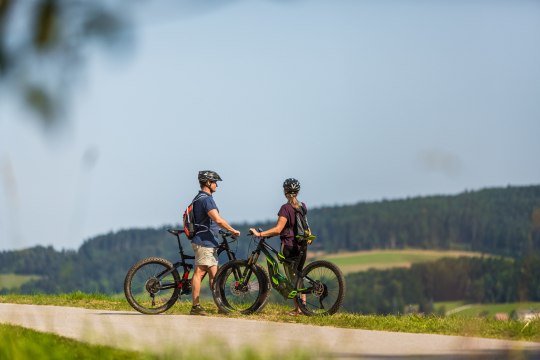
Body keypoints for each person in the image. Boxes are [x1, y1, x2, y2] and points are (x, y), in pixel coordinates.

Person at [249, 178, 309, 316]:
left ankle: (298, 309)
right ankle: (303, 307)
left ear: (285, 192)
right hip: (302, 246)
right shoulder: (303, 206)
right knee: (298, 276)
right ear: (298, 192)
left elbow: (278, 229)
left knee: (291, 278)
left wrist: (260, 234)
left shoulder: (285, 208)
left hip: (289, 246)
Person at [189, 170, 240, 316]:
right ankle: (195, 306)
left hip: (208, 241)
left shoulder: (199, 198)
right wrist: (232, 230)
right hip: (204, 241)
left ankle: (220, 305)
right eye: (215, 182)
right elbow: (217, 219)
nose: (217, 185)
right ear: (207, 183)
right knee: (200, 272)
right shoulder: (206, 199)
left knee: (215, 276)